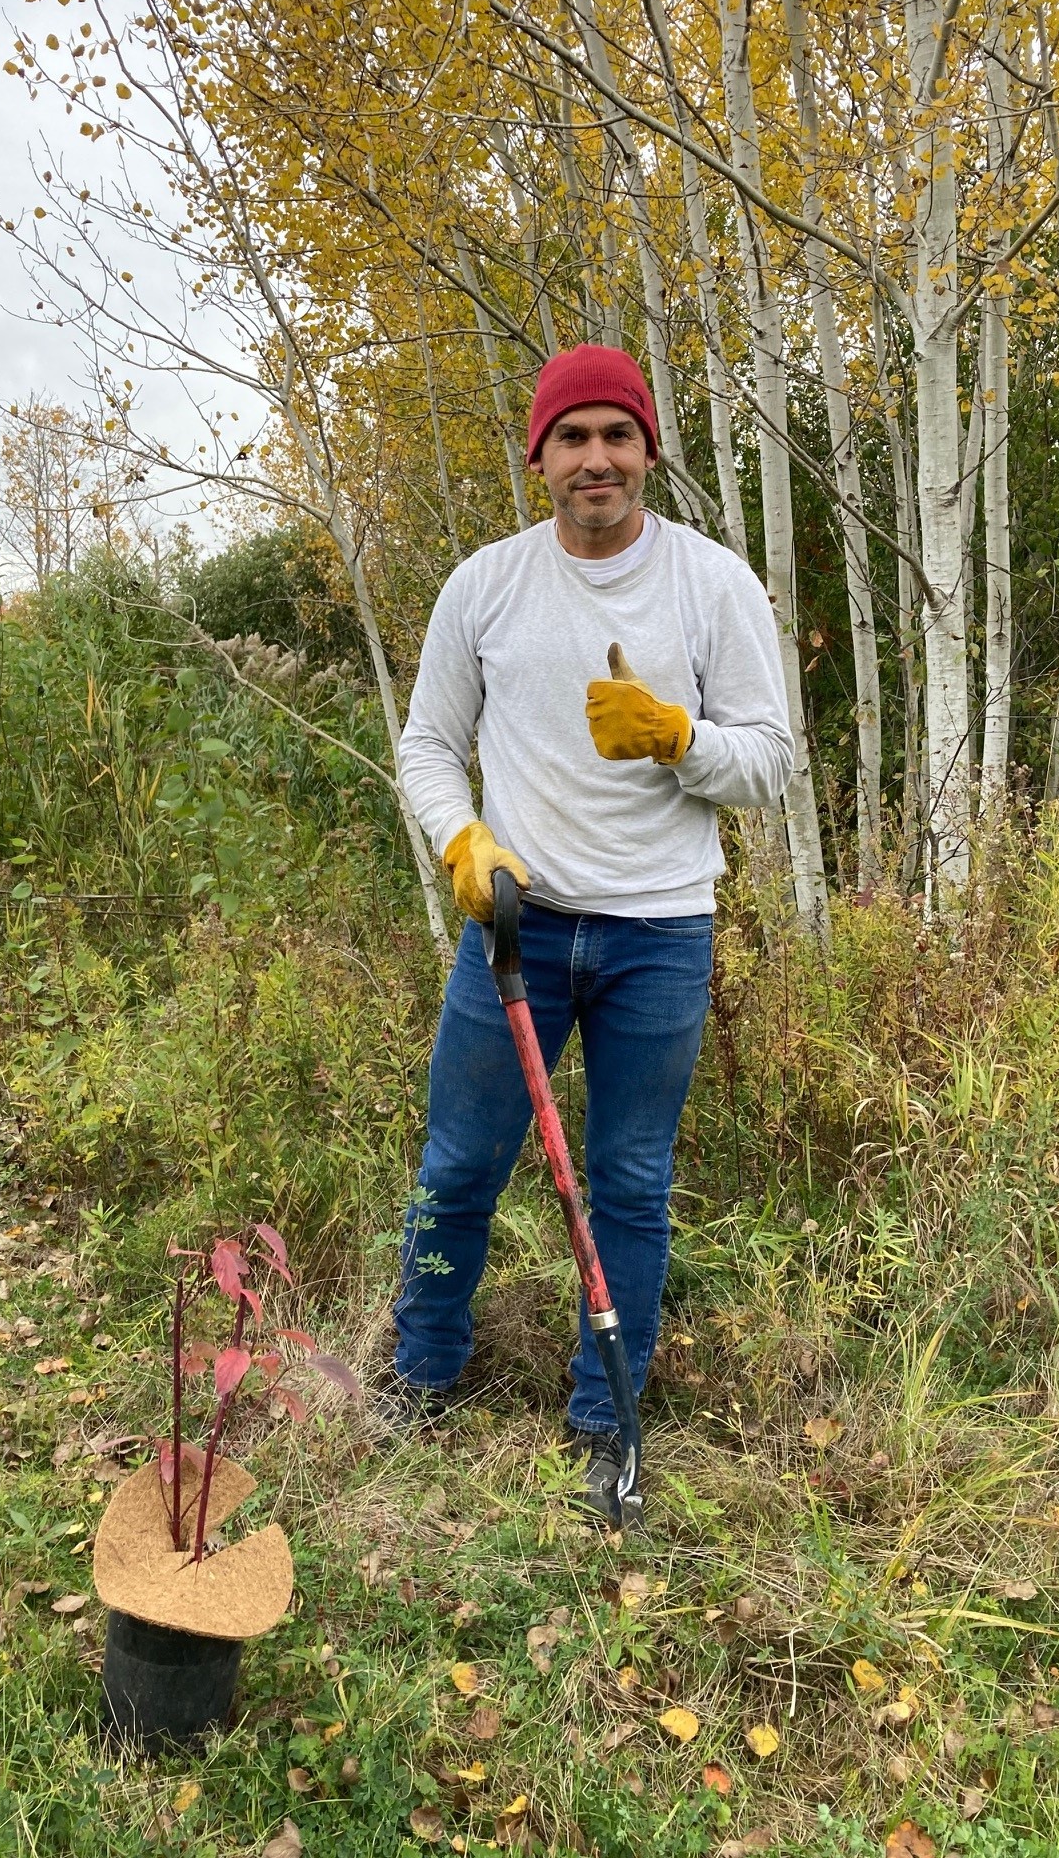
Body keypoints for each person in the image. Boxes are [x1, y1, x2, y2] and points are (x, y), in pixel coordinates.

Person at [390, 342, 794, 1519]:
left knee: (625, 1183)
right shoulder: (487, 586)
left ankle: (604, 1415)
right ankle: (418, 1379)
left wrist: (679, 740)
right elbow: (426, 745)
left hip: (660, 937)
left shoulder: (713, 585)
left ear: (648, 449)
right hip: (515, 930)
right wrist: (463, 841)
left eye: (618, 434)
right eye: (573, 437)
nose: (596, 458)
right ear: (539, 456)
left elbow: (768, 765)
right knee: (457, 1169)